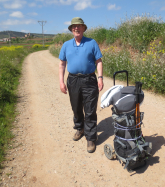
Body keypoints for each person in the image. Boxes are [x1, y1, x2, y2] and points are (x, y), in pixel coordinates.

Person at [59, 17, 103, 153]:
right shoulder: (66, 45)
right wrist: (61, 81)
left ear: (84, 28)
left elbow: (99, 61)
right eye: (74, 27)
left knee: (90, 109)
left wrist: (100, 78)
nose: (76, 28)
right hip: (73, 80)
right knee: (76, 107)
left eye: (79, 26)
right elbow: (62, 64)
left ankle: (91, 137)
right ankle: (80, 128)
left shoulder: (92, 43)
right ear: (71, 29)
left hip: (89, 80)